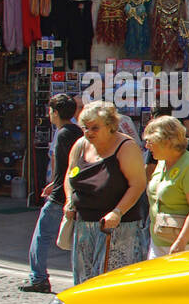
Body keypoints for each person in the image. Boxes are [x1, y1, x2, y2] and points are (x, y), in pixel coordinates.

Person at [63, 100, 147, 284]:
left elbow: (138, 184)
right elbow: (70, 176)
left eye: (94, 128)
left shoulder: (126, 146)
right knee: (84, 280)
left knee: (112, 282)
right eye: (85, 127)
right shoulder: (80, 145)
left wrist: (118, 211)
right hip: (84, 224)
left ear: (110, 126)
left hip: (118, 227)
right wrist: (69, 200)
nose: (88, 132)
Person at [20, 94, 82, 293]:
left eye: (50, 110)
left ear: (55, 113)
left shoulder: (63, 133)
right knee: (74, 238)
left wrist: (56, 186)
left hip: (61, 195)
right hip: (68, 191)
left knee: (42, 235)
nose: (49, 114)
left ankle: (38, 277)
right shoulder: (77, 131)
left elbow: (64, 165)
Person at [143, 115, 189, 258]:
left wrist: (181, 241)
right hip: (160, 241)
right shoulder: (162, 162)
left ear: (166, 141)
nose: (147, 146)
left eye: (150, 141)